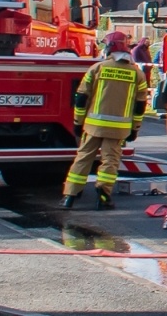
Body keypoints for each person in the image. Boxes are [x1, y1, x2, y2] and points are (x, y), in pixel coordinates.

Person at [61, 30, 147, 210]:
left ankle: (69, 195)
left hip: (93, 126)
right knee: (110, 161)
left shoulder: (97, 68)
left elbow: (81, 98)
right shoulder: (137, 74)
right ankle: (103, 195)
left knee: (83, 158)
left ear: (109, 47)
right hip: (118, 129)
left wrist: (78, 122)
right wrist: (135, 128)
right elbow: (140, 106)